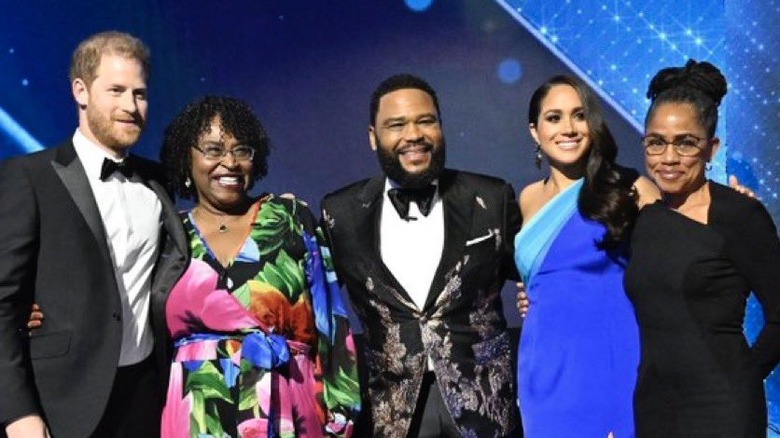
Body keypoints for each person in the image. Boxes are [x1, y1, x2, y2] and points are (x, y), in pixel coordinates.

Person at [0, 31, 188, 438]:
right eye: (116, 90)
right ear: (81, 91)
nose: (130, 106)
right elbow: (2, 303)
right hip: (60, 401)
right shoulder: (28, 176)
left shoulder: (158, 181)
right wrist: (18, 414)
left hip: (146, 395)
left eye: (139, 93)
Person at [320, 73, 521, 438]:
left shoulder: (491, 198)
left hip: (486, 404)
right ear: (373, 137)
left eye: (425, 121)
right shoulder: (340, 214)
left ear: (441, 127)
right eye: (396, 125)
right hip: (395, 411)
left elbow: (535, 279)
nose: (413, 134)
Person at [158, 95, 361, 437]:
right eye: (213, 150)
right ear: (186, 159)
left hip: (288, 406)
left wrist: (340, 416)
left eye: (242, 151)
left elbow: (333, 325)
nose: (230, 162)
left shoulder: (290, 219)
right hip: (196, 414)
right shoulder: (169, 234)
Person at [624, 60, 780, 437]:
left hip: (724, 410)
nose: (669, 158)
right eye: (656, 142)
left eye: (686, 143)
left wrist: (745, 373)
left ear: (711, 149)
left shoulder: (740, 214)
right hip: (655, 409)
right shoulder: (644, 219)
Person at [514, 75, 660, 437]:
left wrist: (728, 205)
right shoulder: (527, 198)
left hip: (611, 366)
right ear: (535, 131)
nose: (568, 128)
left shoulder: (631, 188)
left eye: (579, 116)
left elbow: (677, 259)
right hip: (542, 370)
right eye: (554, 118)